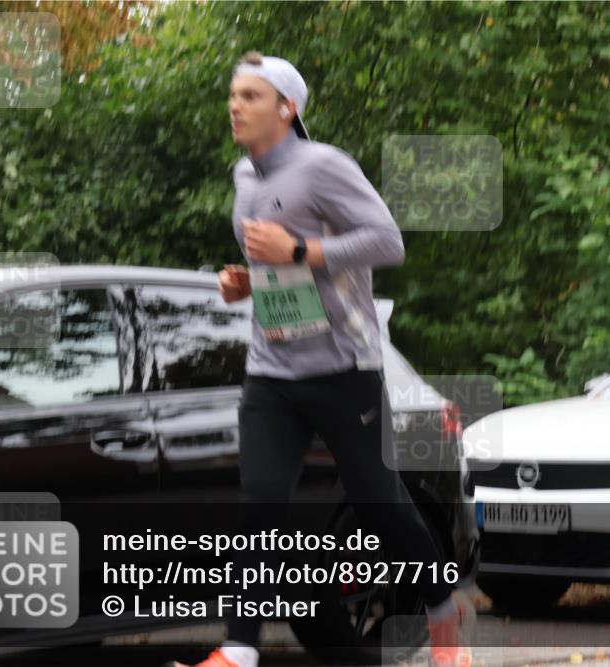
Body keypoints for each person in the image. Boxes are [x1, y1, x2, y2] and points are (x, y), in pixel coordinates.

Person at [166, 51, 474, 667]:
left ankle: (444, 619)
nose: (235, 105)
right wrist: (247, 282)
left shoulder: (324, 166)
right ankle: (238, 652)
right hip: (272, 371)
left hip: (343, 369)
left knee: (381, 502)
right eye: (233, 95)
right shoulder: (244, 177)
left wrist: (299, 246)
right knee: (260, 506)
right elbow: (275, 266)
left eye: (251, 96)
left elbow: (388, 241)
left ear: (288, 108)